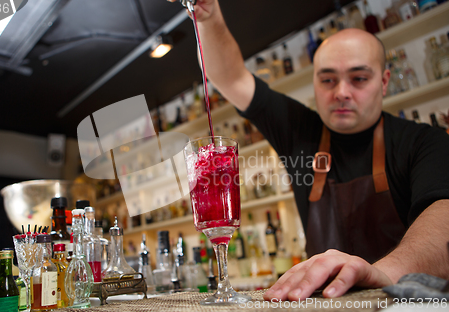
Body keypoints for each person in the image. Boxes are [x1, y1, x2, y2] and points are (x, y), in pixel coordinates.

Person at [169, 0, 449, 301]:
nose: (341, 91)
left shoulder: (425, 141)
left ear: (384, 82)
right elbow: (231, 77)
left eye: (359, 78)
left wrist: (383, 272)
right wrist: (208, 18)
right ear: (314, 82)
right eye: (328, 79)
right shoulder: (300, 132)